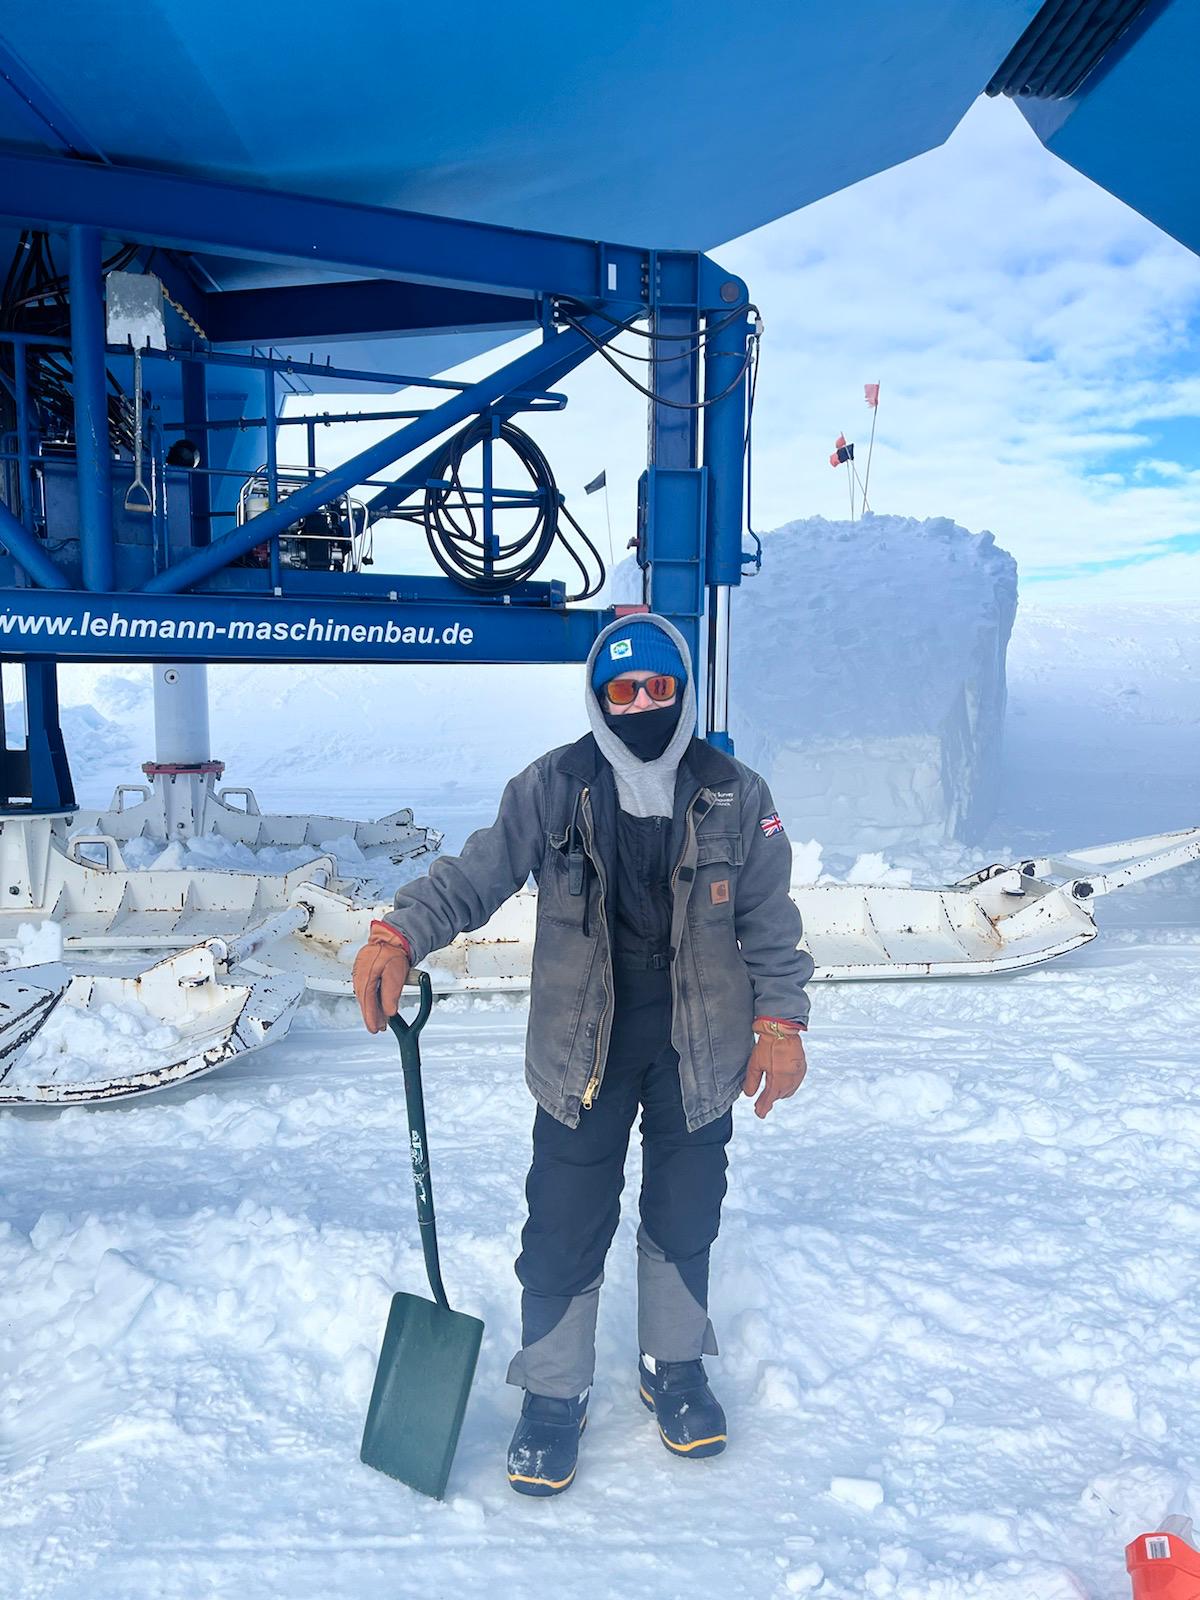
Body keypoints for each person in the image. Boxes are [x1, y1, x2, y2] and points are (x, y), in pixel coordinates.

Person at [353, 612, 813, 1496]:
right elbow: (477, 873)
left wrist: (781, 1024)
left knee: (686, 1209)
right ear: (599, 697)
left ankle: (673, 1367)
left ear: (682, 691)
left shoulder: (734, 793)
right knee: (565, 1217)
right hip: (583, 1044)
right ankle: (553, 1395)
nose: (643, 704)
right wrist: (399, 931)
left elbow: (769, 919)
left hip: (699, 1045)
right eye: (624, 689)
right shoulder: (553, 786)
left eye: (660, 688)